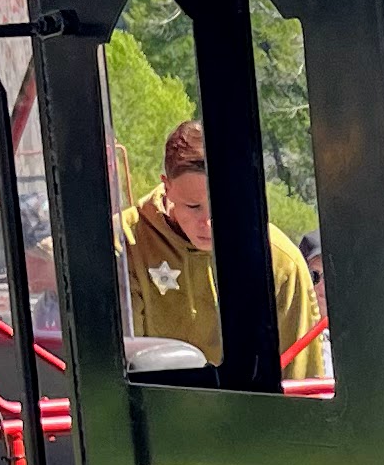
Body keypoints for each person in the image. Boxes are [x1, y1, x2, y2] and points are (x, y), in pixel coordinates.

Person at [123, 117, 322, 376]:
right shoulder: (126, 243)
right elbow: (119, 372)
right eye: (192, 207)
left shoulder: (278, 261)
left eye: (222, 206)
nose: (207, 223)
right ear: (167, 186)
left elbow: (300, 380)